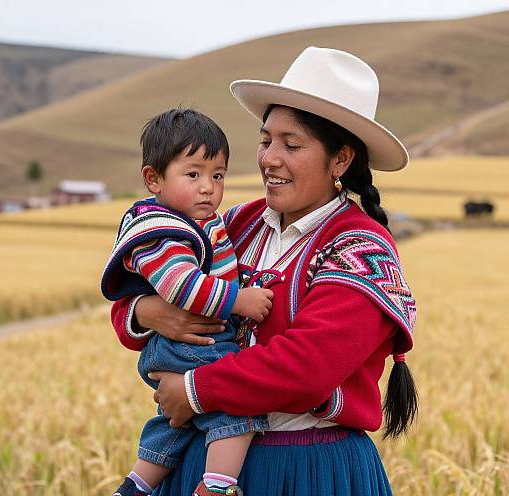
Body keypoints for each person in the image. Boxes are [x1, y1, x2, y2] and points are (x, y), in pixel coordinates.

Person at [111, 47, 418, 496]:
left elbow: (307, 366)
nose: (268, 159)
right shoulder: (234, 225)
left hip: (309, 470)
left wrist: (194, 391)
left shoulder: (361, 248)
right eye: (265, 140)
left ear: (341, 160)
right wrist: (147, 312)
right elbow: (135, 299)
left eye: (290, 145)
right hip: (202, 460)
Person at [101, 108, 272, 496]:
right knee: (237, 410)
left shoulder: (202, 220)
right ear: (153, 179)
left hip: (182, 348)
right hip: (192, 347)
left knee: (172, 425)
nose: (209, 187)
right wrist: (238, 300)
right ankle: (216, 485)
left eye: (218, 175)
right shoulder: (163, 231)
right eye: (193, 174)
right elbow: (180, 285)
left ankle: (136, 486)